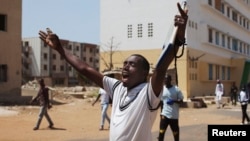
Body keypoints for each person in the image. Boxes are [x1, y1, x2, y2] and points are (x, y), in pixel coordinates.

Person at [38, 2, 188, 140]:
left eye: (132, 64)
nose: (126, 67)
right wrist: (60, 50)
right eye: (125, 63)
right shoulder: (117, 88)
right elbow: (85, 68)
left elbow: (161, 68)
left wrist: (179, 36)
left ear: (144, 73)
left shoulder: (148, 93)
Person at [158, 74, 183, 141]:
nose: (165, 80)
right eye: (165, 79)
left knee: (176, 135)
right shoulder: (162, 89)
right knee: (161, 133)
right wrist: (161, 114)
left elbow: (181, 101)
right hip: (164, 115)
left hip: (174, 116)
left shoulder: (176, 89)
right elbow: (161, 102)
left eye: (167, 79)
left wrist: (174, 101)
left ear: (170, 80)